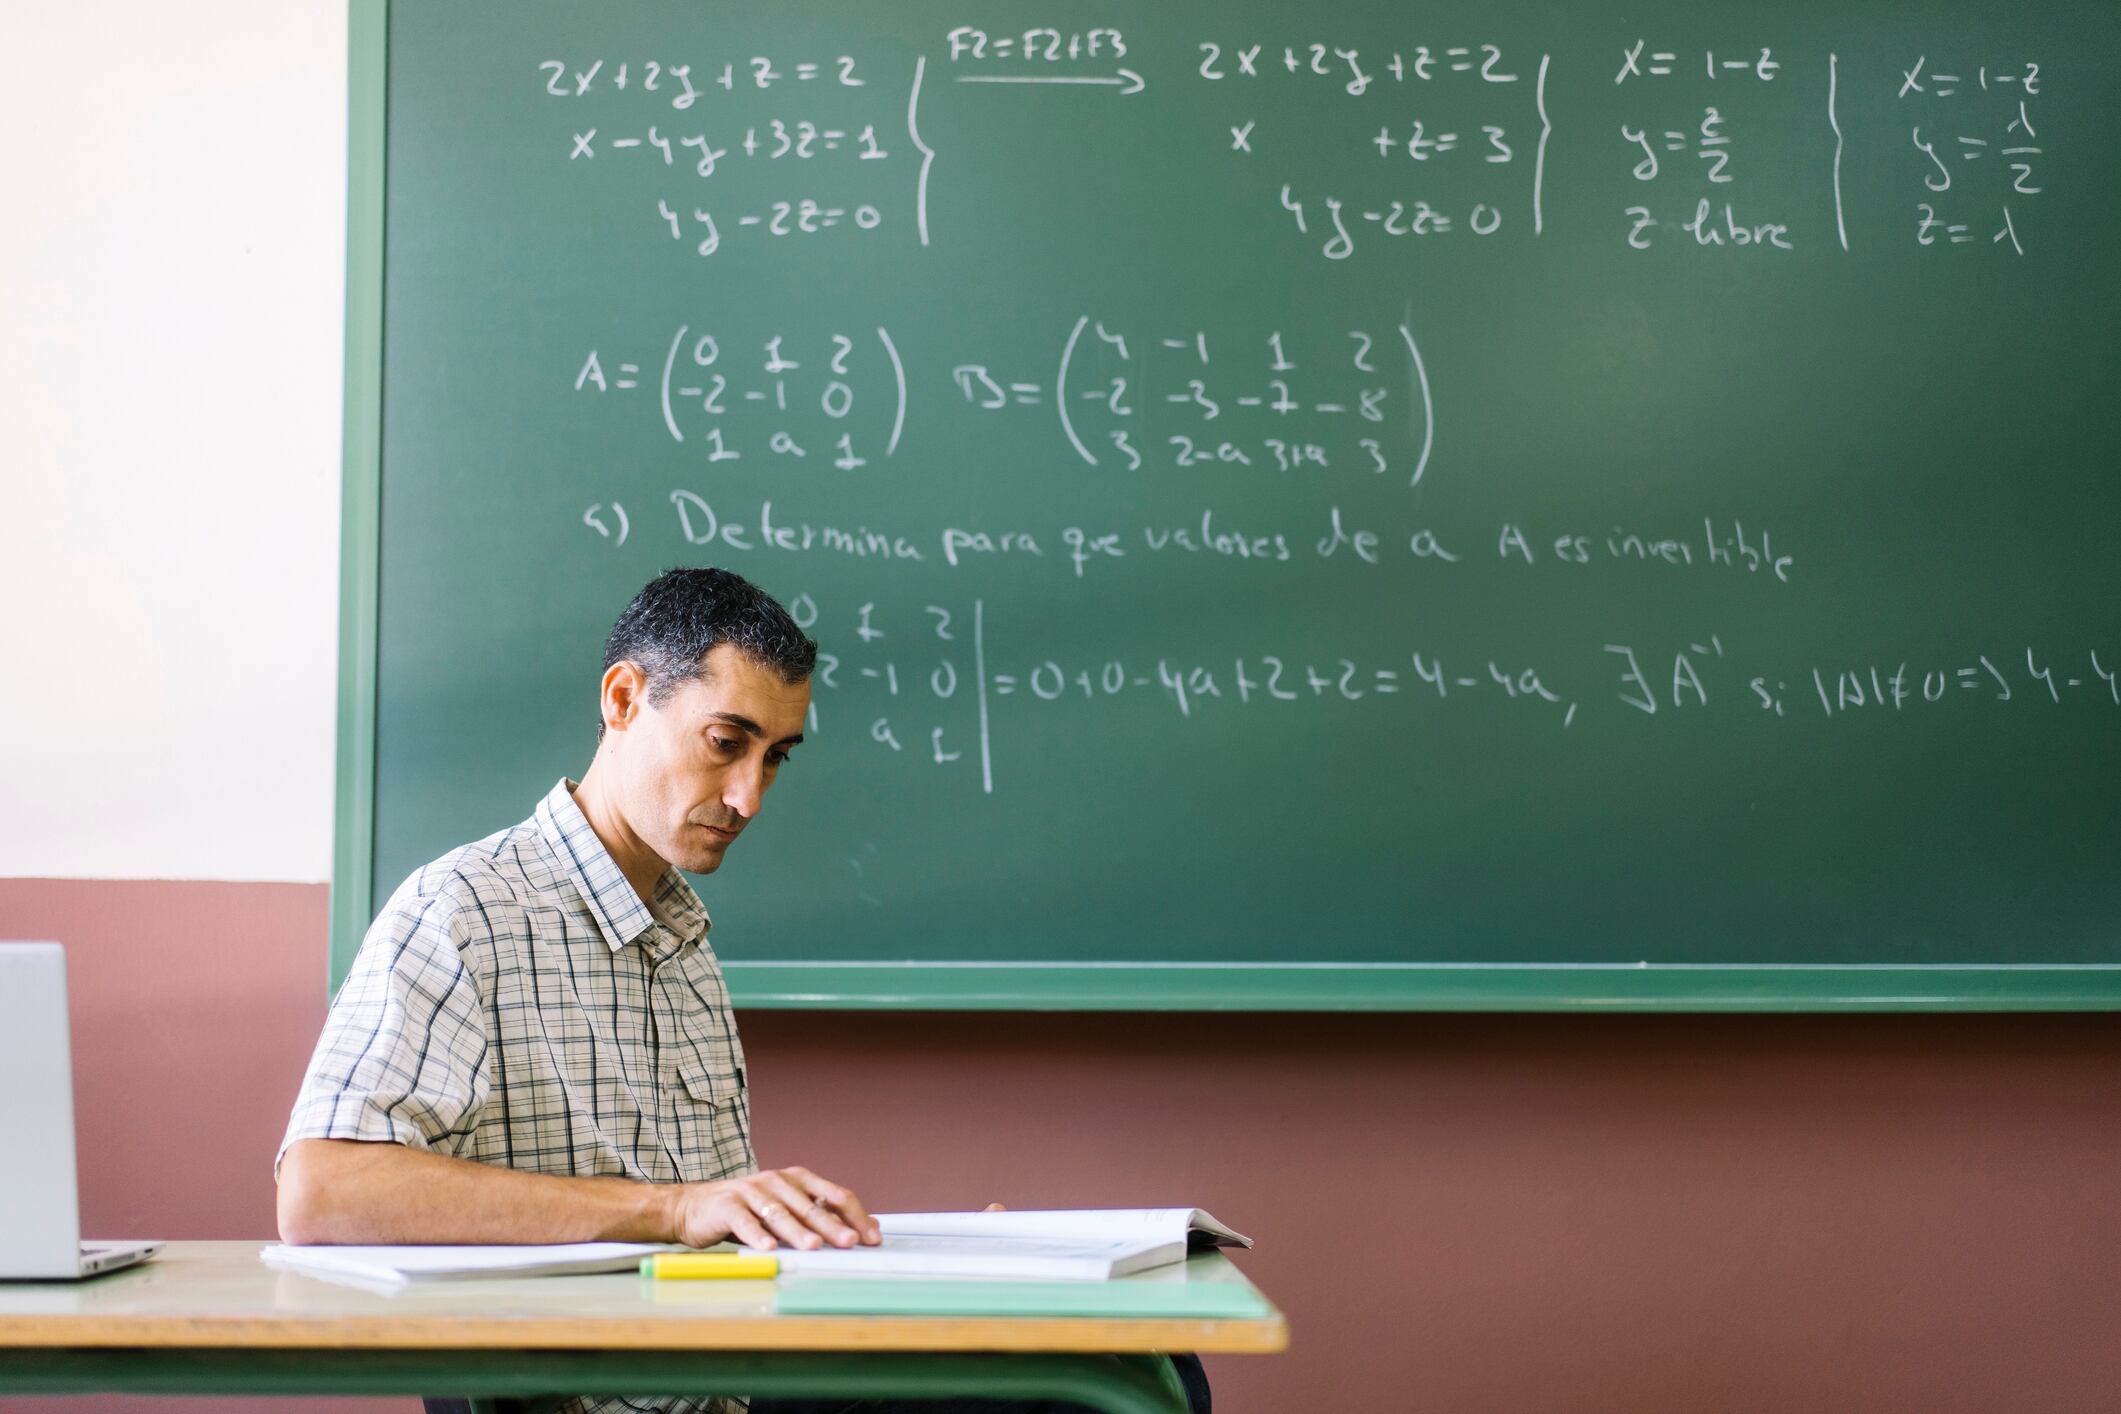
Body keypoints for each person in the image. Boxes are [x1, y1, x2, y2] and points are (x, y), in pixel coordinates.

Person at [276, 567, 1209, 1414]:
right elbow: (321, 1193)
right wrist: (673, 1208)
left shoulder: (683, 944)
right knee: (1087, 1396)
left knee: (1139, 1362)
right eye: (727, 743)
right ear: (623, 699)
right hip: (624, 1402)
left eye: (776, 758)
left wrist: (944, 1259)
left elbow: (722, 1249)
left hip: (733, 1377)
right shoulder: (464, 909)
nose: (749, 795)